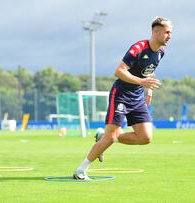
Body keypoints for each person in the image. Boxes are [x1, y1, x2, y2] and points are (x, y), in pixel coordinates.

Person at [73, 17, 173, 180]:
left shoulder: (161, 52)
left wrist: (148, 89)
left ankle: (104, 137)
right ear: (156, 32)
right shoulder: (138, 48)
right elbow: (119, 71)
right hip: (121, 95)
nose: (170, 36)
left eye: (171, 33)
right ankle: (80, 170)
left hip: (138, 96)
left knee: (145, 137)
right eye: (167, 32)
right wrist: (142, 82)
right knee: (111, 136)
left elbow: (150, 70)